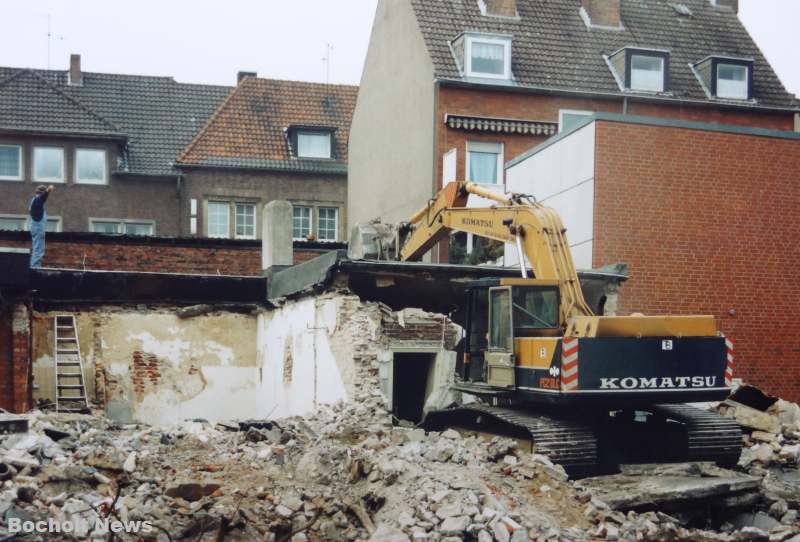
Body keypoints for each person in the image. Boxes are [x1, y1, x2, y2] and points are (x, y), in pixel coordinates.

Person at [29, 184, 54, 268]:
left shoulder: (35, 202)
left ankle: (34, 268)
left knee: (37, 249)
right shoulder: (37, 201)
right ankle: (35, 270)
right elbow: (42, 198)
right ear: (40, 193)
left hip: (37, 229)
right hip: (38, 229)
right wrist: (48, 190)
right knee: (38, 250)